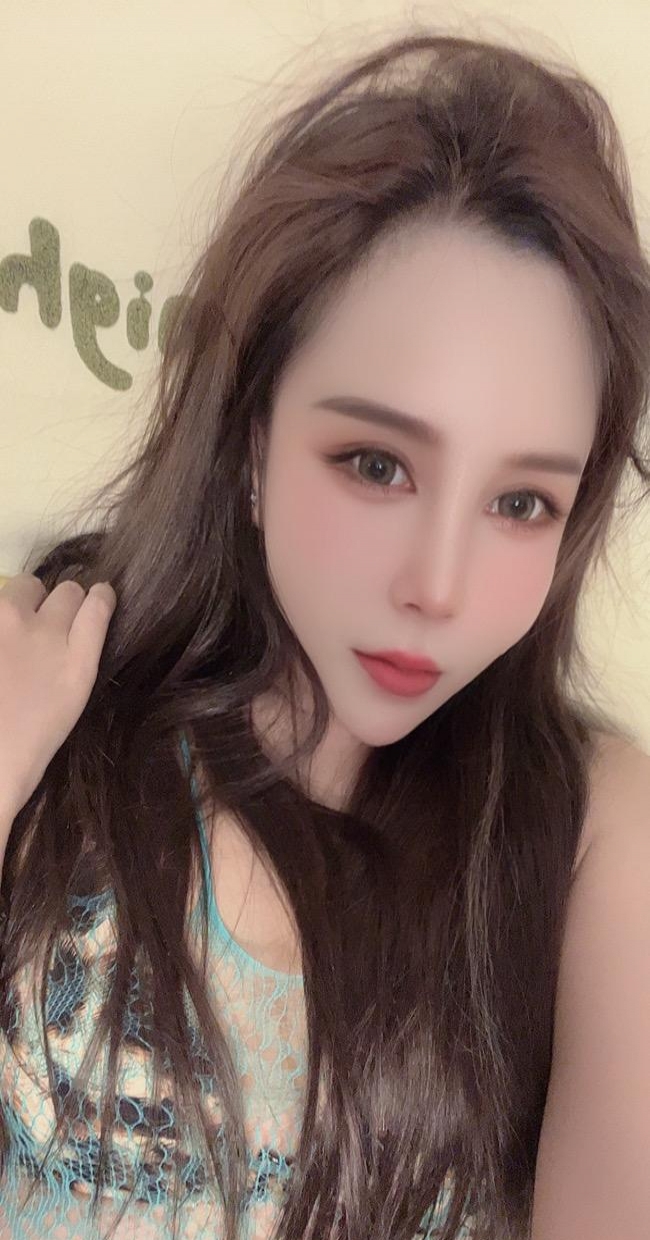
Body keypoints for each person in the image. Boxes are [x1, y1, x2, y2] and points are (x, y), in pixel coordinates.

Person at [1, 24, 650, 1240]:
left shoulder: (583, 837)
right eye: (374, 463)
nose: (437, 588)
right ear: (252, 440)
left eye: (521, 503)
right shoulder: (44, 711)